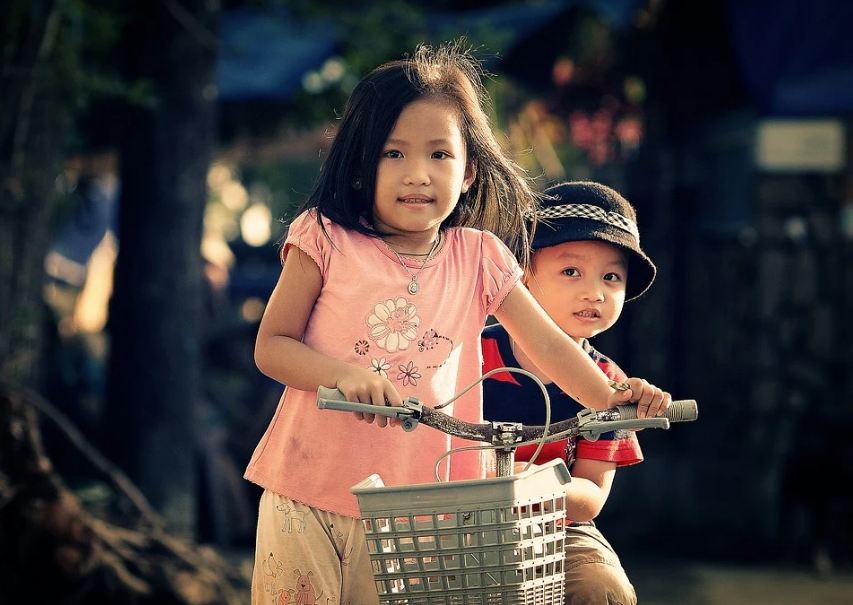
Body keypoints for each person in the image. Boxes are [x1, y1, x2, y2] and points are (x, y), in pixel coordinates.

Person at [245, 43, 667, 605]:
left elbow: (552, 347)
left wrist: (616, 399)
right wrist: (343, 375)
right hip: (306, 489)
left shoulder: (479, 256)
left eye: (439, 154)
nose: (417, 174)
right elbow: (272, 346)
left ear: (468, 171)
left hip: (417, 512)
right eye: (393, 153)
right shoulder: (323, 236)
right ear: (359, 163)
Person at [482, 180, 668, 605]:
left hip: (560, 527)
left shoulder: (609, 385)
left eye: (611, 277)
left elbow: (590, 496)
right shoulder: (470, 354)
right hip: (462, 516)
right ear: (523, 274)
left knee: (602, 588)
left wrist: (527, 486)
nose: (594, 293)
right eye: (571, 272)